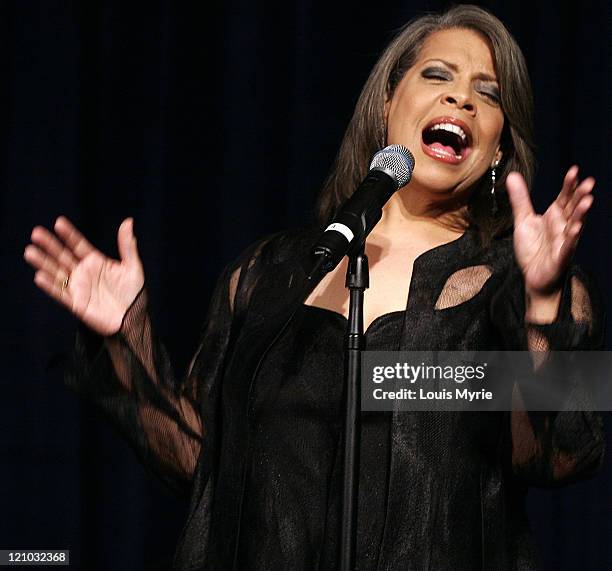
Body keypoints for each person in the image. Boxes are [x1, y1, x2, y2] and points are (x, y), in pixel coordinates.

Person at [24, 5, 604, 570]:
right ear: (386, 103)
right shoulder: (267, 272)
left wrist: (543, 303)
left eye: (490, 93)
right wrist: (125, 338)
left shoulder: (521, 282)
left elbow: (563, 455)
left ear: (500, 146)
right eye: (437, 75)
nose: (462, 99)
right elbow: (209, 469)